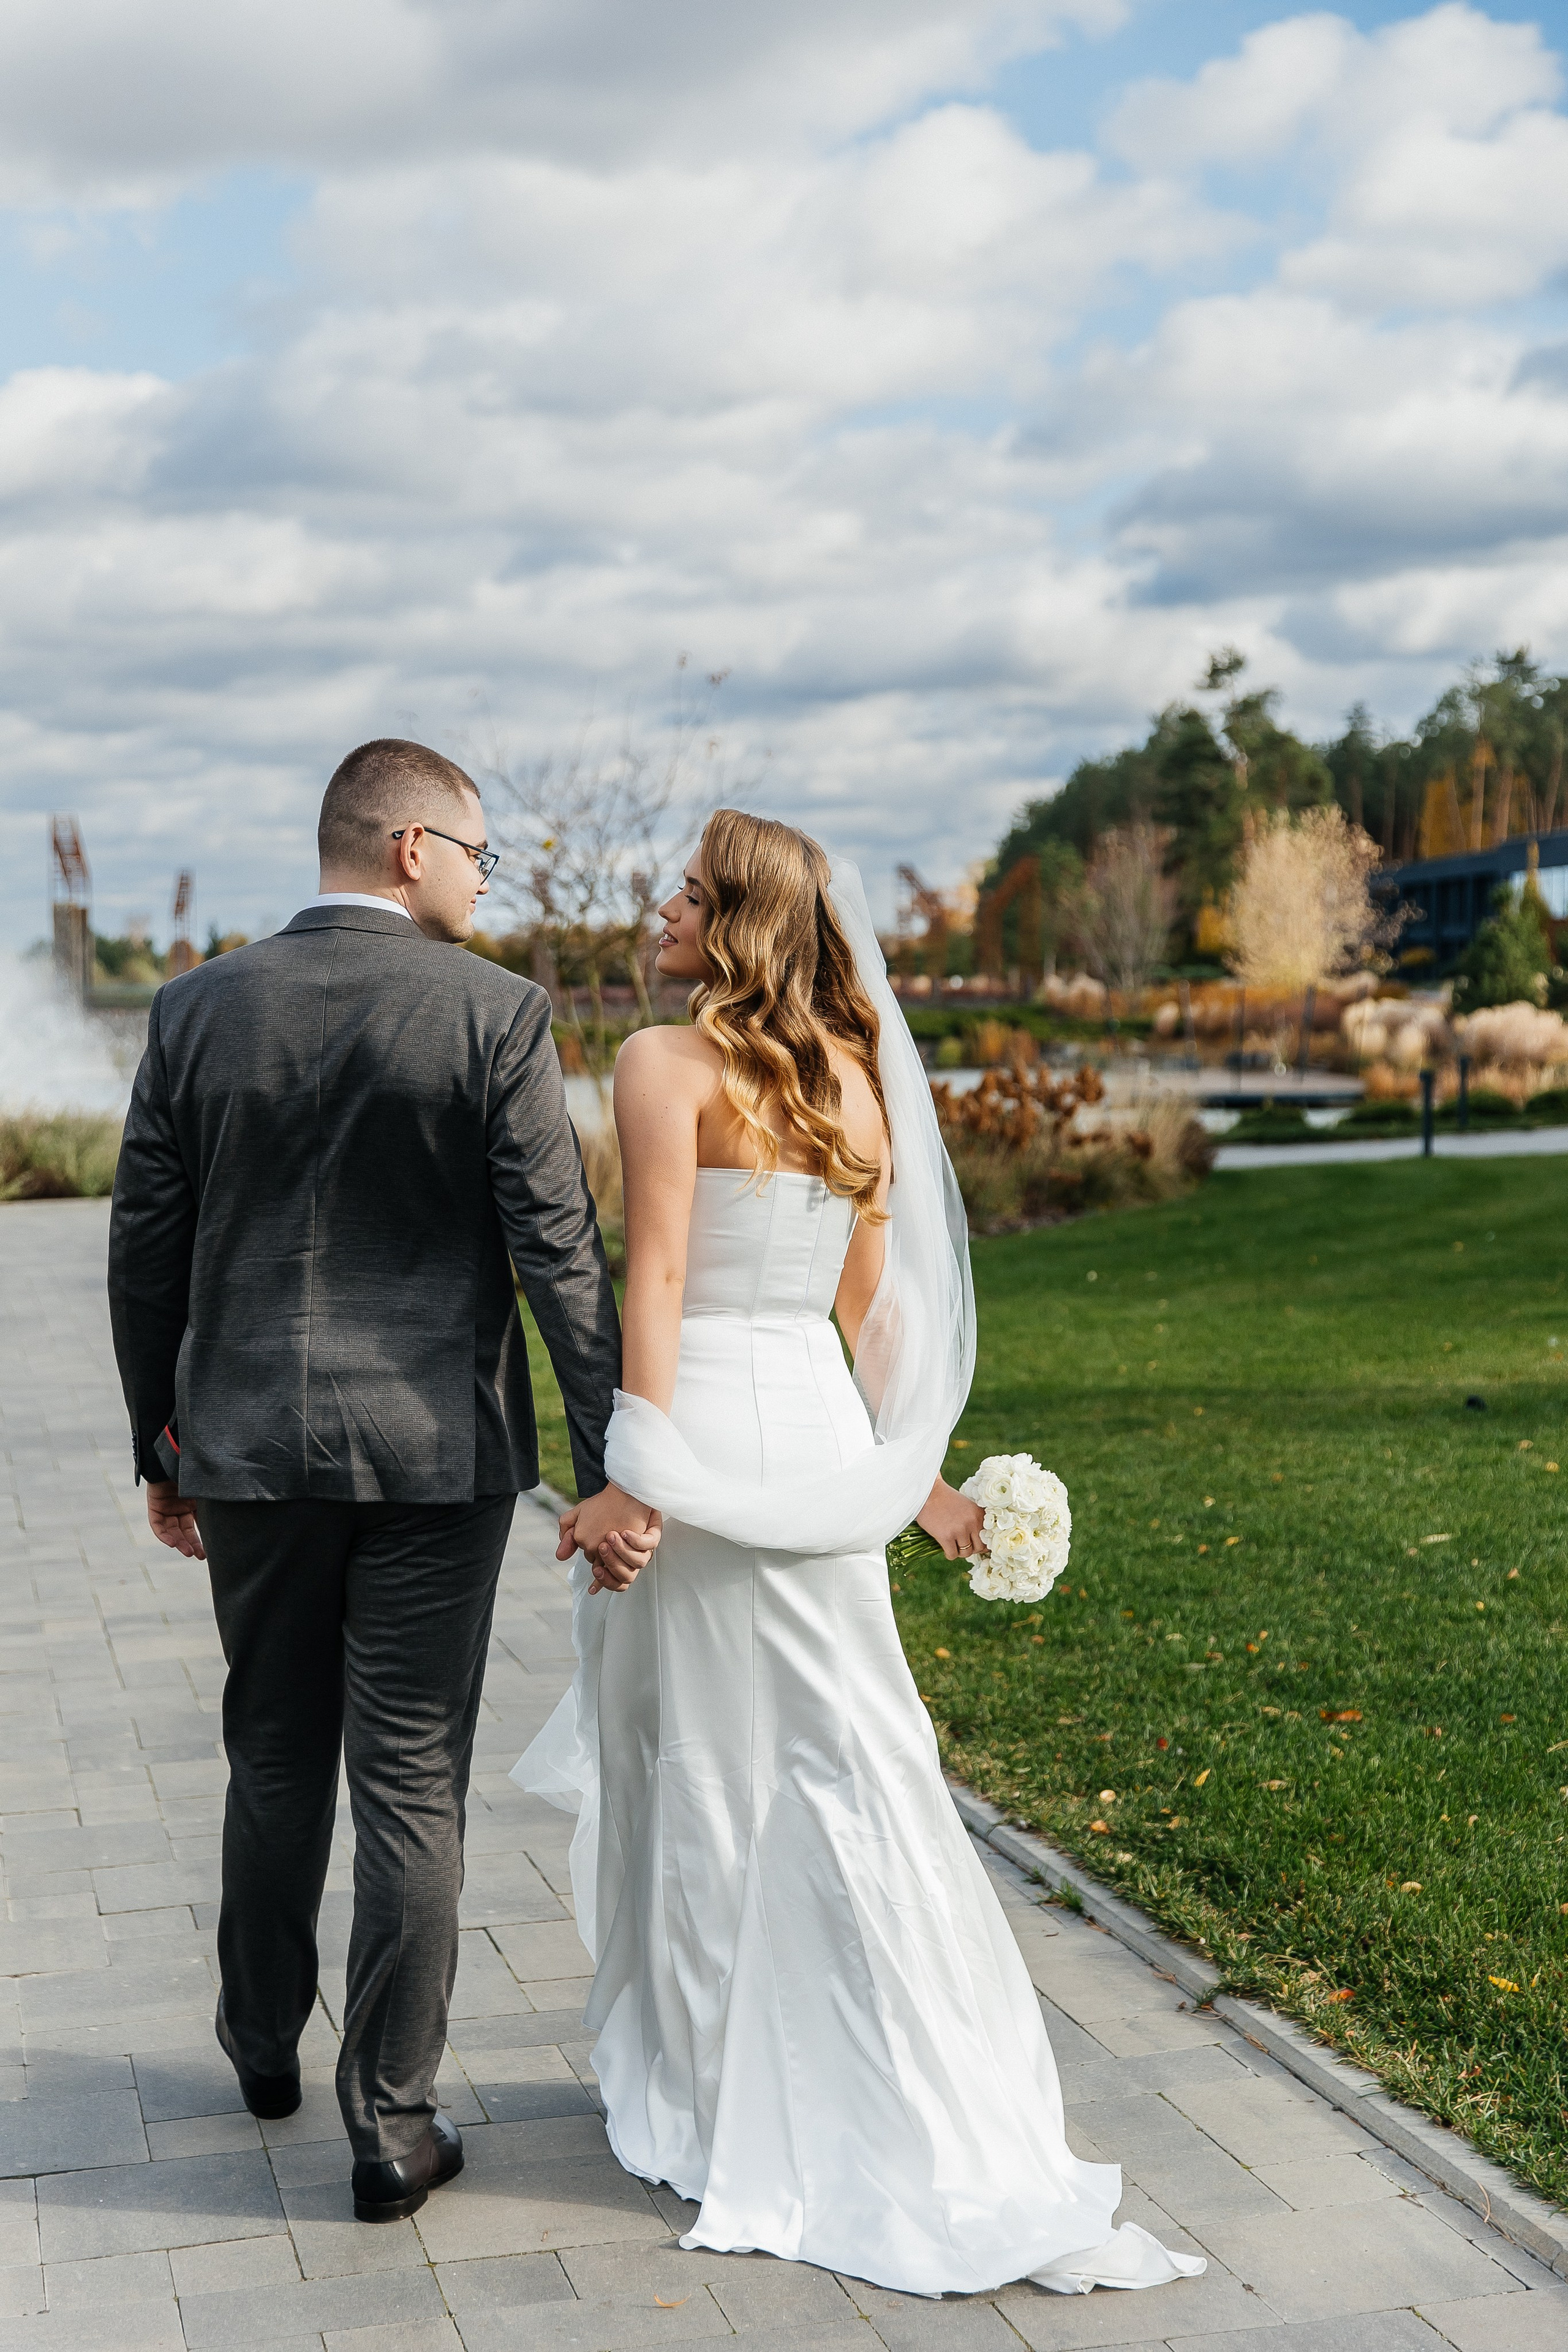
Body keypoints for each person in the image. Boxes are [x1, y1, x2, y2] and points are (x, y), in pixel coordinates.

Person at [516, 809, 1207, 2297]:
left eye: (685, 894)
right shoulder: (855, 1075)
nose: (660, 910)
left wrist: (636, 1477)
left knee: (703, 1759)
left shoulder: (661, 1064)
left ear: (736, 922)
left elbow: (656, 1276)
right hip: (822, 1446)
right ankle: (908, 2062)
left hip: (705, 1437)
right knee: (848, 1756)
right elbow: (869, 1315)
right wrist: (922, 1485)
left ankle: (723, 2089)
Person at [107, 738, 657, 2225]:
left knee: (274, 1751)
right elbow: (559, 1254)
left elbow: (145, 1245)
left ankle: (258, 2044)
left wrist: (162, 1441)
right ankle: (392, 2124)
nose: (488, 880)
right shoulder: (493, 1013)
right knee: (410, 1779)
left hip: (247, 1453)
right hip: (434, 1458)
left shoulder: (196, 1008)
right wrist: (610, 1466)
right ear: (412, 846)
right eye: (480, 853)